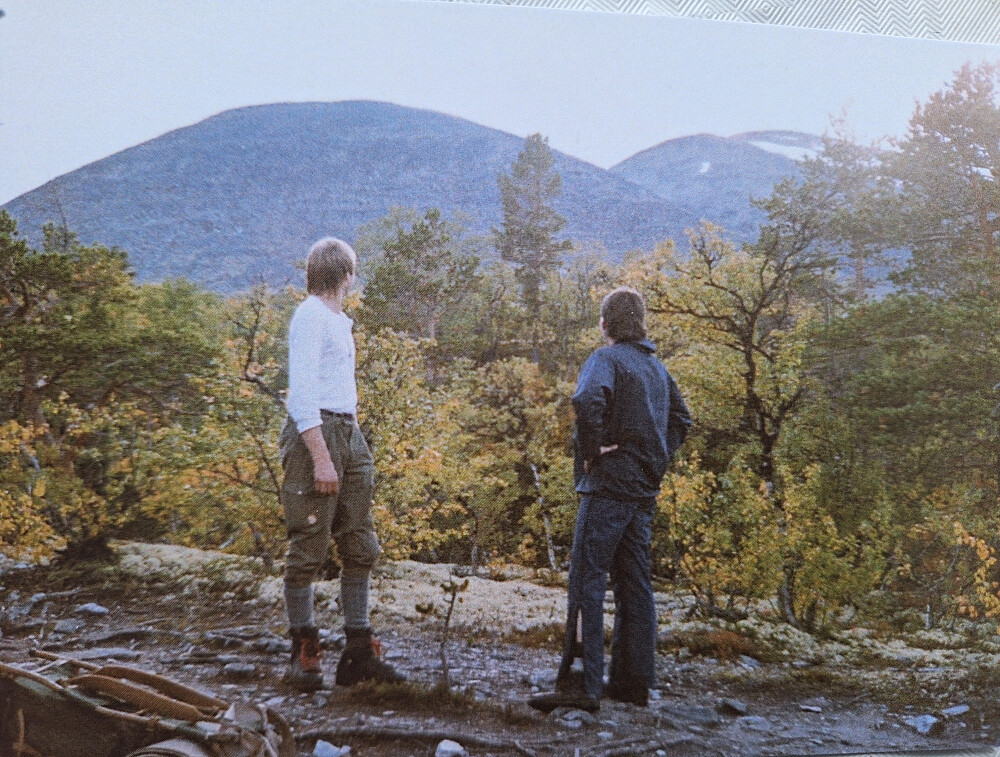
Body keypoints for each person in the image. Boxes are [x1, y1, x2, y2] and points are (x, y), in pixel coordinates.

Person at [531, 286, 691, 712]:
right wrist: (655, 459)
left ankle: (581, 684)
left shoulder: (605, 359)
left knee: (587, 576)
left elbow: (586, 400)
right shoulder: (656, 368)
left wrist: (591, 451)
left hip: (607, 488)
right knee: (635, 583)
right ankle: (634, 684)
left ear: (605, 324)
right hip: (642, 491)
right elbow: (681, 419)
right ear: (641, 323)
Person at [279, 236, 404, 691]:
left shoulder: (339, 320)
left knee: (360, 542)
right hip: (318, 434)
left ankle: (357, 651)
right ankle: (303, 649)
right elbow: (302, 394)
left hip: (349, 432)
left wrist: (349, 443)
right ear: (345, 275)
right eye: (354, 273)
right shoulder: (309, 316)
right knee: (308, 545)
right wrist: (320, 456)